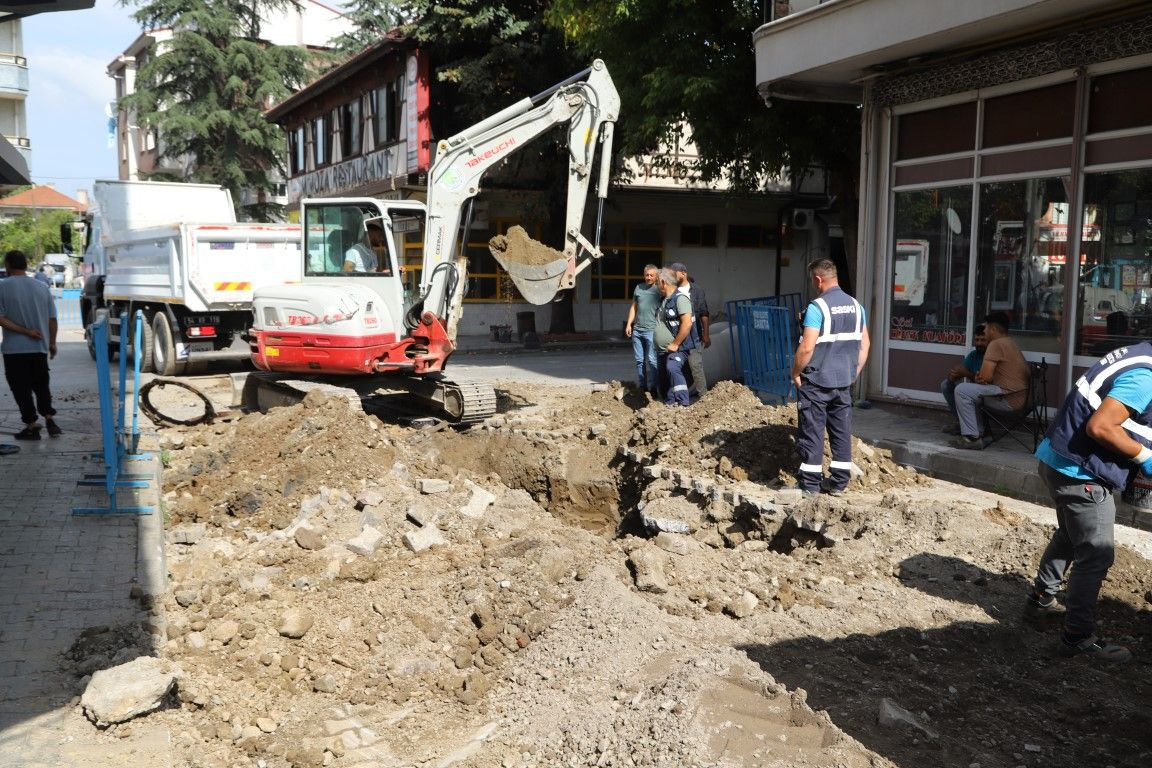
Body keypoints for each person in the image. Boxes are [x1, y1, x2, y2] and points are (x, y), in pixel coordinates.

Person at [1022, 343, 1152, 664]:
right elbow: (1101, 426)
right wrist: (1145, 455)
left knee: (1069, 534)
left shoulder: (1139, 355)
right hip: (1081, 473)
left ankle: (1041, 599)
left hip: (1058, 458)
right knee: (1095, 553)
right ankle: (1076, 637)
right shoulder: (1146, 377)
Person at [790, 258, 870, 497]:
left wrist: (795, 372)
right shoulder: (857, 306)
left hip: (816, 381)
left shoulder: (818, 308)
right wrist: (853, 372)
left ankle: (810, 485)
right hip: (843, 382)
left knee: (812, 430)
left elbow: (807, 347)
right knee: (841, 431)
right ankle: (838, 482)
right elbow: (865, 344)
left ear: (818, 279)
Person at [0, 250, 60, 440]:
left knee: (21, 389)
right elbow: (52, 319)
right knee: (42, 385)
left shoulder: (2, 287)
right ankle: (50, 419)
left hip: (14, 350)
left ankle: (32, 425)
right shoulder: (42, 287)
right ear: (25, 265)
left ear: (8, 265)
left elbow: (1, 319)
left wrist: (26, 332)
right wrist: (52, 343)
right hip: (39, 348)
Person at [949, 311, 1029, 449]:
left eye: (985, 328)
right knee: (972, 391)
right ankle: (978, 433)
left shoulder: (995, 344)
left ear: (993, 329)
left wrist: (980, 376)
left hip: (1008, 399)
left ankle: (971, 438)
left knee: (962, 390)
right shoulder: (1010, 342)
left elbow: (985, 377)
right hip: (1021, 397)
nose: (984, 331)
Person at [653, 268, 695, 407]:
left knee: (673, 368)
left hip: (676, 348)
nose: (657, 286)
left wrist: (676, 344)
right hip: (662, 351)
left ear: (663, 282)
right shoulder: (663, 300)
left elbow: (687, 323)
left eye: (658, 282)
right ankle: (669, 404)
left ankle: (683, 403)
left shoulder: (680, 299)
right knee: (663, 379)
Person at [670, 262, 710, 397]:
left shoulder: (697, 290)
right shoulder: (671, 290)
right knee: (675, 367)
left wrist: (706, 334)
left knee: (696, 367)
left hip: (694, 336)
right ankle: (676, 396)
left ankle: (703, 397)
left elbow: (704, 313)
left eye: (674, 273)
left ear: (683, 273)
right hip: (677, 336)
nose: (672, 277)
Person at [941, 324, 988, 435]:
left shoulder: (991, 355)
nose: (979, 343)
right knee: (946, 385)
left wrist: (966, 374)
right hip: (974, 392)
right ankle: (961, 423)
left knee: (965, 390)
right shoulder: (973, 355)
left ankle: (975, 431)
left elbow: (986, 382)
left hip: (989, 394)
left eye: (983, 340)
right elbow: (961, 370)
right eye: (977, 340)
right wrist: (953, 376)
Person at [624, 264, 661, 396]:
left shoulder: (659, 290)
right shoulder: (638, 288)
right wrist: (629, 324)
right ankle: (643, 386)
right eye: (647, 275)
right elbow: (633, 307)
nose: (649, 277)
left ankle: (654, 388)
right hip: (638, 330)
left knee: (652, 360)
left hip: (651, 330)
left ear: (656, 276)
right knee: (640, 360)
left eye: (651, 275)